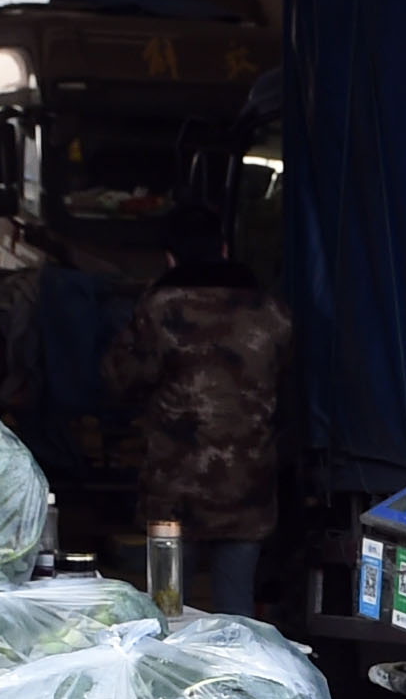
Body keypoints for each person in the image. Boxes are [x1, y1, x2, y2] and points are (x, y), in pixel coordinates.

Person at [102, 223, 292, 619]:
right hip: (248, 487)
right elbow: (293, 388)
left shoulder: (160, 309)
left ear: (170, 258)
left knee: (166, 609)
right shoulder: (271, 312)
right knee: (236, 612)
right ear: (224, 250)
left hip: (175, 492)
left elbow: (122, 379)